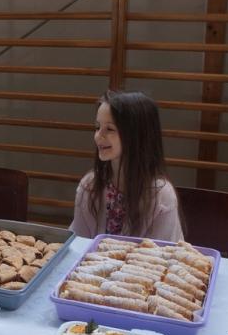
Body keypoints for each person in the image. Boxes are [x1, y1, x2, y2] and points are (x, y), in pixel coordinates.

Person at [69, 90, 183, 241]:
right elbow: (77, 242)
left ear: (136, 135)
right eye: (97, 127)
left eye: (109, 129)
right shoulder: (89, 185)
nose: (98, 135)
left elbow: (163, 252)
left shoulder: (161, 195)